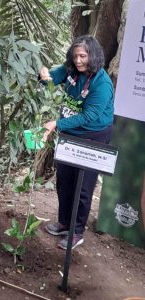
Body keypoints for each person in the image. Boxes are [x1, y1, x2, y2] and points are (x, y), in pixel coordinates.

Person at [39, 35, 114, 250]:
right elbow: (52, 78)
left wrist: (56, 123)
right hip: (70, 131)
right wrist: (44, 75)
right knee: (64, 179)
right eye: (76, 56)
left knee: (82, 186)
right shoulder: (71, 69)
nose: (79, 60)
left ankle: (77, 231)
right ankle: (64, 222)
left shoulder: (102, 84)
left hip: (93, 135)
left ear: (93, 56)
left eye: (83, 56)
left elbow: (89, 116)